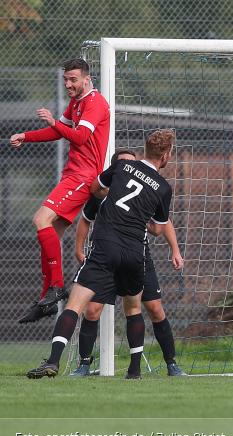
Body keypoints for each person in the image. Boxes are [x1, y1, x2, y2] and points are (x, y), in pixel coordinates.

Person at [26, 130, 175, 379]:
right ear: (167, 155)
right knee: (133, 308)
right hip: (134, 251)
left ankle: (53, 361)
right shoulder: (163, 187)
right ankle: (134, 371)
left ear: (145, 150)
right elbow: (159, 229)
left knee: (75, 305)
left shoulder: (122, 167)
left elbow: (95, 188)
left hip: (105, 246)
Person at [70, 148, 186, 377]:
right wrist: (78, 249)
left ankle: (171, 363)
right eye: (125, 164)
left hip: (137, 257)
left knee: (154, 308)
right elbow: (85, 220)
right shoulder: (103, 196)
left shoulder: (146, 192)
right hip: (106, 255)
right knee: (92, 310)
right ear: (115, 170)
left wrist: (175, 249)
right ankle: (84, 364)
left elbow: (163, 222)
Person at [11, 58, 110, 323]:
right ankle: (47, 300)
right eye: (66, 79)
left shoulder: (95, 103)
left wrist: (54, 121)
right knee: (50, 234)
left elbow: (79, 137)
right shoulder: (77, 102)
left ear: (87, 79)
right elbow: (58, 132)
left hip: (84, 175)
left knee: (40, 219)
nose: (68, 84)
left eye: (73, 80)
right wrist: (27, 135)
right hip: (72, 174)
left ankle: (55, 288)